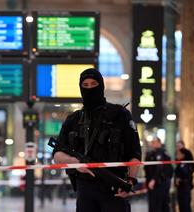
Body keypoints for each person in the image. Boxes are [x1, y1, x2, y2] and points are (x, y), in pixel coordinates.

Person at [53, 68, 141, 212]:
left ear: (101, 85)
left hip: (115, 188)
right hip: (84, 192)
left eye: (94, 84)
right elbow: (57, 155)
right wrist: (76, 163)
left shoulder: (120, 115)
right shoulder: (74, 119)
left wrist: (130, 181)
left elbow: (135, 153)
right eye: (85, 85)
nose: (90, 88)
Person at [144, 137, 173, 212]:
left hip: (159, 183)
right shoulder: (154, 152)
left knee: (157, 205)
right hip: (159, 182)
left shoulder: (160, 152)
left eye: (154, 142)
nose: (152, 144)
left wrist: (153, 180)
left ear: (159, 143)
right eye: (152, 142)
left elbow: (159, 167)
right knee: (161, 204)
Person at [175, 148, 194, 212]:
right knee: (181, 205)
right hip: (181, 187)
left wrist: (180, 179)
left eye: (178, 154)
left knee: (185, 205)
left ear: (183, 155)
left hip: (185, 187)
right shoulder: (180, 163)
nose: (177, 155)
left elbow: (186, 174)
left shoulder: (186, 164)